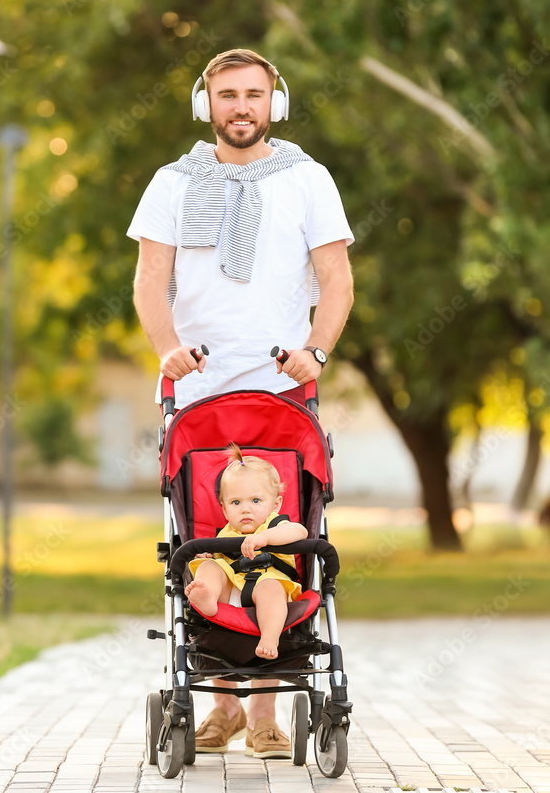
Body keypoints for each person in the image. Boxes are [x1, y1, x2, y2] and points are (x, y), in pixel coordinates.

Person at [128, 47, 354, 759]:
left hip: (280, 390)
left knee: (278, 539)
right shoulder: (171, 182)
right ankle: (218, 710)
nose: (240, 107)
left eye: (253, 94)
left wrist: (313, 351)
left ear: (273, 102)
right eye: (227, 95)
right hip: (196, 389)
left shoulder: (307, 179)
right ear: (206, 104)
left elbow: (336, 278)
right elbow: (148, 280)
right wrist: (166, 346)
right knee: (209, 536)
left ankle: (263, 717)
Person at [186, 445, 308, 661]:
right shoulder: (226, 533)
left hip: (268, 584)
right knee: (209, 567)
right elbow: (219, 561)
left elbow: (300, 531)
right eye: (235, 502)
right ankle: (207, 598)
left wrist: (265, 538)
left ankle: (270, 638)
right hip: (230, 593)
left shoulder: (276, 523)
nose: (245, 509)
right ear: (224, 509)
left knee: (271, 588)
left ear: (276, 503)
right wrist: (208, 559)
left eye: (256, 501)